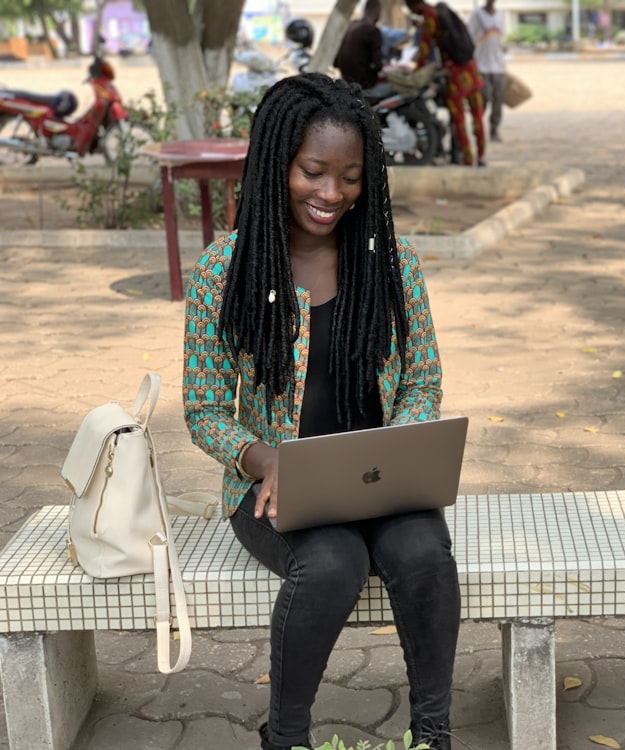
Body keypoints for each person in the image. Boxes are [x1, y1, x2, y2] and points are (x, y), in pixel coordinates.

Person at [182, 74, 460, 750]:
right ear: (278, 161)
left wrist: (401, 443)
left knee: (424, 551)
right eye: (313, 171)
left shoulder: (391, 265)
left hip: (379, 482)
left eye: (351, 177)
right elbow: (205, 407)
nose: (332, 193)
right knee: (332, 564)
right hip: (275, 491)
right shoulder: (228, 269)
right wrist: (262, 457)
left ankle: (433, 734)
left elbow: (422, 379)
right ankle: (286, 737)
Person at [405, 0, 486, 166]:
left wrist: (417, 72)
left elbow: (425, 48)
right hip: (471, 69)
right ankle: (482, 156)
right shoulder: (443, 10)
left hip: (456, 75)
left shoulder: (429, 16)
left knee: (459, 119)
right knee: (477, 116)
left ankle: (468, 159)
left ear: (412, 5)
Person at [466, 0, 505, 143]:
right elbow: (470, 37)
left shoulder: (500, 15)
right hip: (481, 65)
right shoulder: (476, 15)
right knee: (485, 97)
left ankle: (494, 130)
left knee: (498, 101)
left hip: (498, 66)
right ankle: (477, 126)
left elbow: (501, 39)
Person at [334, 0, 384, 89]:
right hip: (363, 84)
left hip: (345, 79)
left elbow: (336, 62)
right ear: (377, 11)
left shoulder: (350, 26)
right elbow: (378, 65)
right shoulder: (372, 31)